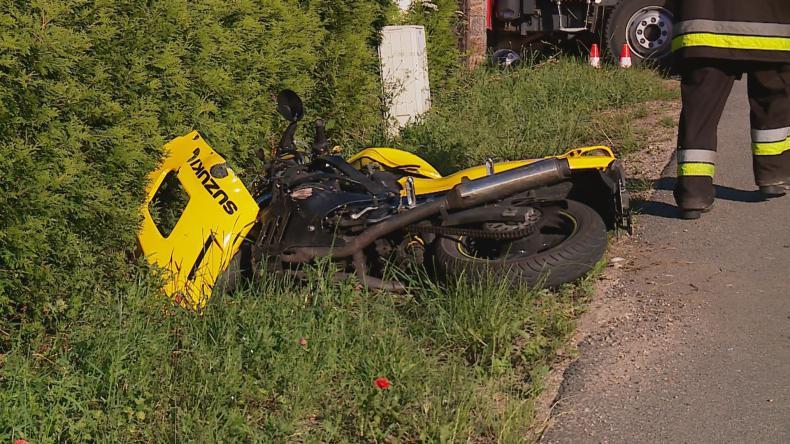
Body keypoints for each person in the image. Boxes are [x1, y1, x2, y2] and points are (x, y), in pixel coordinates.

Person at [670, 0, 790, 219]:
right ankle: (772, 175)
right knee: (773, 101)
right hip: (771, 27)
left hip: (703, 25)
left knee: (699, 113)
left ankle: (693, 194)